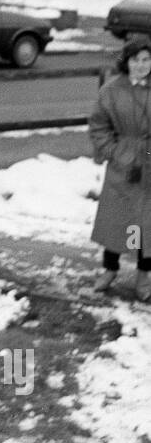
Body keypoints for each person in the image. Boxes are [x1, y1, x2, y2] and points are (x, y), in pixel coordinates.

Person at [88, 35, 151, 301]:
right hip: (122, 164)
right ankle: (109, 269)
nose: (142, 65)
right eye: (136, 60)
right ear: (127, 62)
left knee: (147, 225)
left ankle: (143, 276)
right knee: (117, 219)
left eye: (147, 60)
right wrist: (115, 153)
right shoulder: (112, 90)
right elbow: (99, 126)